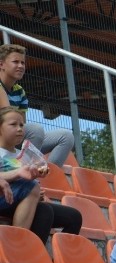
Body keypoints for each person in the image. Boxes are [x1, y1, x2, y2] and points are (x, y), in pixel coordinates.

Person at [0, 106, 81, 243]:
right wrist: (23, 179)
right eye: (13, 124)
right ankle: (18, 244)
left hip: (22, 202)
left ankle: (41, 256)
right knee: (43, 207)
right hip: (4, 199)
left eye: (21, 125)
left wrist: (38, 193)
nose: (20, 128)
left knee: (74, 216)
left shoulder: (21, 155)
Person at [0, 45, 74, 166]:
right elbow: (9, 120)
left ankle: (46, 175)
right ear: (1, 64)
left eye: (22, 63)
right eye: (15, 62)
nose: (20, 66)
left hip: (14, 138)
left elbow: (21, 124)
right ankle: (21, 169)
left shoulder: (19, 91)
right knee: (35, 130)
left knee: (66, 137)